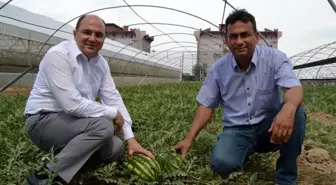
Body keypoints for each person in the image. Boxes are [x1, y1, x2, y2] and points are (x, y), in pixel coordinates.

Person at [174, 9, 306, 185]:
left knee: (296, 112)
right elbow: (206, 106)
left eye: (245, 35)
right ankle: (240, 151)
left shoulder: (275, 58)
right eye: (234, 36)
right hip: (237, 130)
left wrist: (288, 108)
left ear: (256, 37)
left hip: (270, 129)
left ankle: (286, 178)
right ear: (227, 40)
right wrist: (188, 138)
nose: (239, 41)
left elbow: (294, 88)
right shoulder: (218, 70)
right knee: (222, 165)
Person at [24, 14, 154, 185]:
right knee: (103, 126)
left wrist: (130, 138)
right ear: (75, 33)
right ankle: (44, 176)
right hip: (43, 121)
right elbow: (72, 105)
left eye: (99, 35)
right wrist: (112, 113)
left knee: (115, 148)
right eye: (87, 32)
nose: (92, 39)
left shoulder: (101, 64)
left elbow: (112, 97)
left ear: (104, 39)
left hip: (75, 124)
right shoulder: (58, 55)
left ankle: (70, 163)